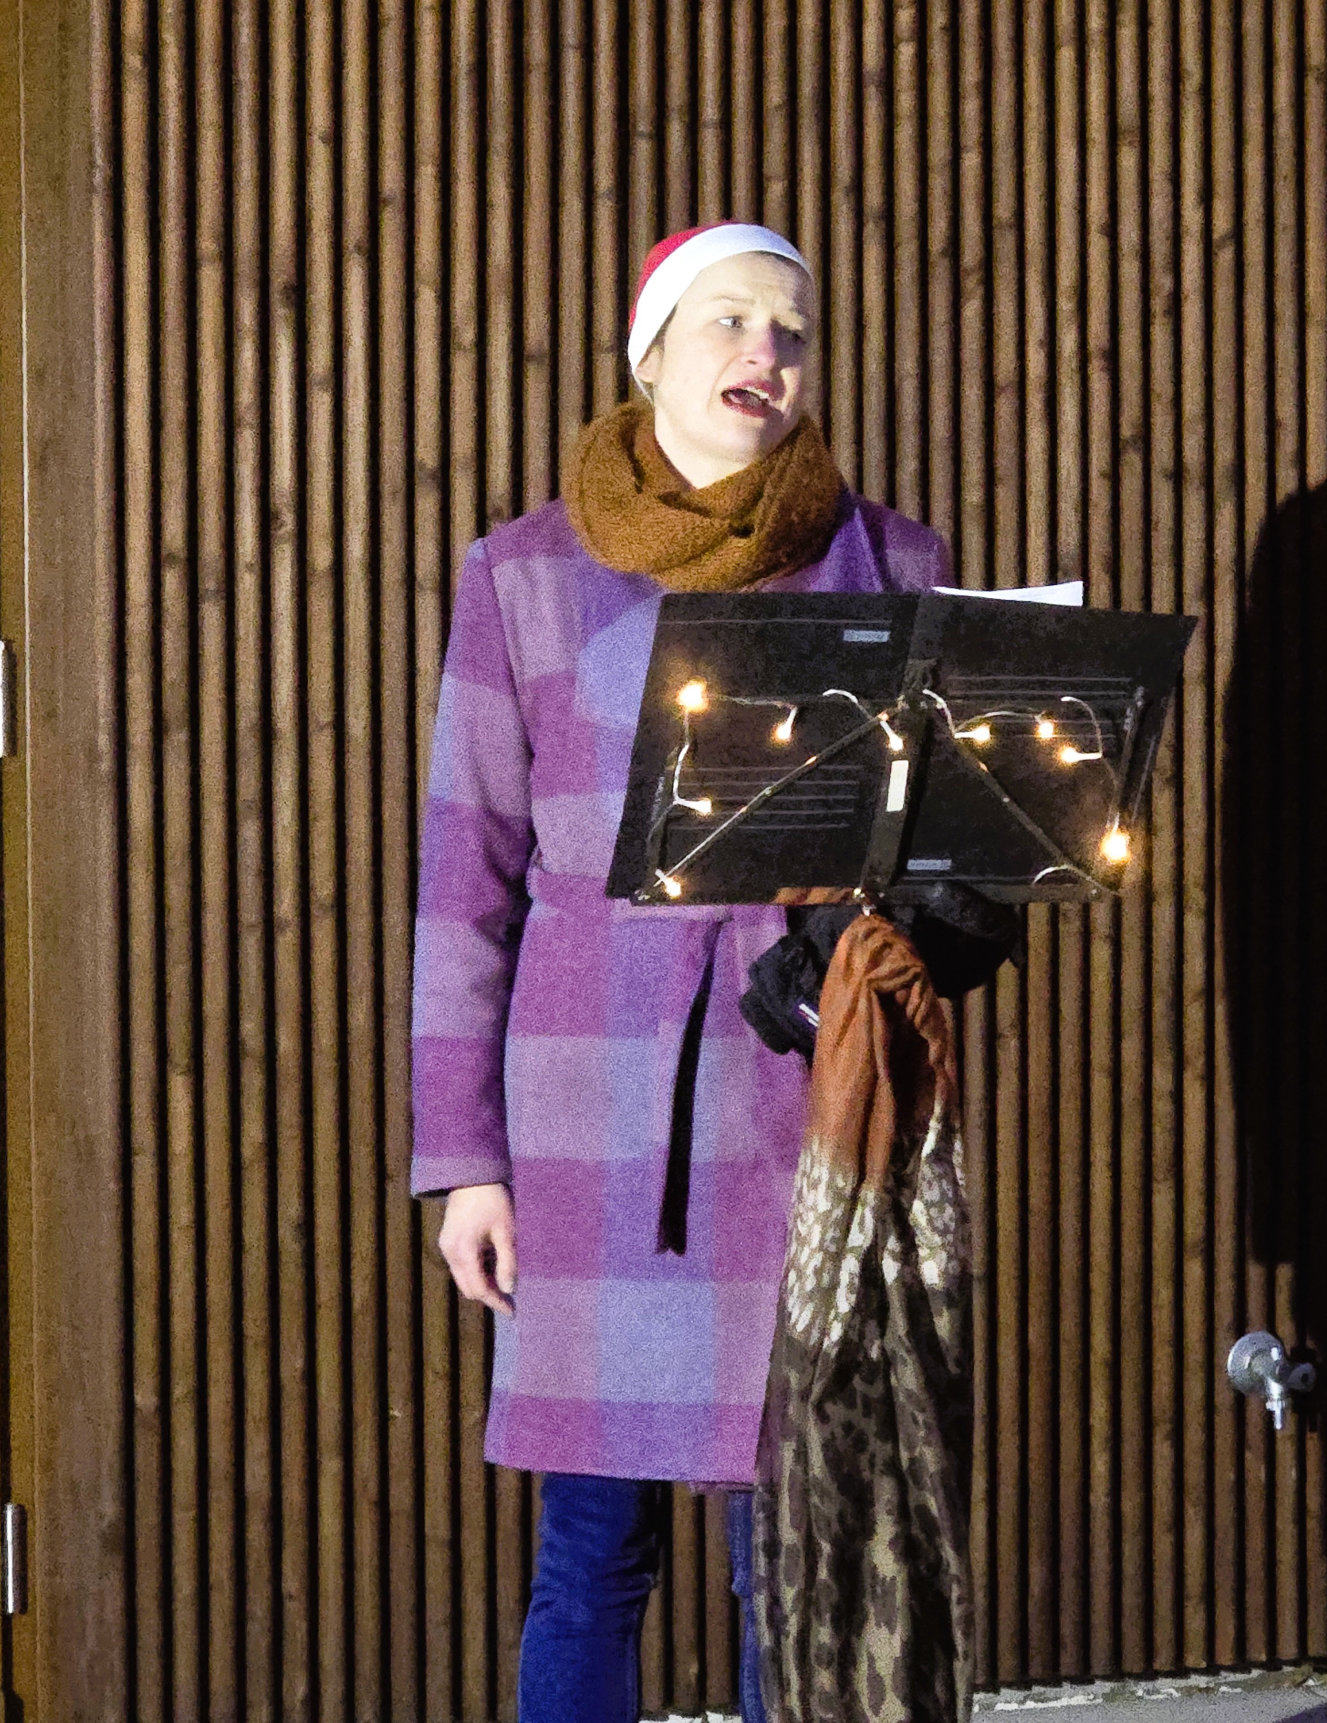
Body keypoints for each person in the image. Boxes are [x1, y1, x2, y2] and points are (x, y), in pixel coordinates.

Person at [410, 221, 951, 1723]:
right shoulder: (523, 574)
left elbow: (944, 841)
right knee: (592, 1552)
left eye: (792, 330)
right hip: (595, 1118)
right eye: (728, 321)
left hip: (811, 1101)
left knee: (796, 1555)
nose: (765, 354)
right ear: (648, 354)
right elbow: (466, 882)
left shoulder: (895, 562)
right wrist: (466, 1161)